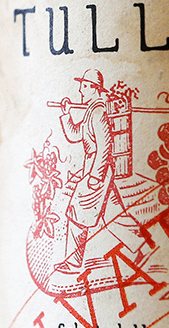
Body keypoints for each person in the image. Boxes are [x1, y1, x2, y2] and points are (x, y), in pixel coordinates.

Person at [56, 68, 131, 272]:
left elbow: (105, 145)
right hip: (95, 172)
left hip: (97, 173)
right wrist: (66, 114)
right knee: (116, 216)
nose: (80, 91)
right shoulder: (91, 110)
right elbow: (75, 135)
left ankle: (73, 262)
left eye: (84, 87)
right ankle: (144, 245)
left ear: (93, 88)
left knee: (77, 212)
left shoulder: (98, 112)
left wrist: (95, 177)